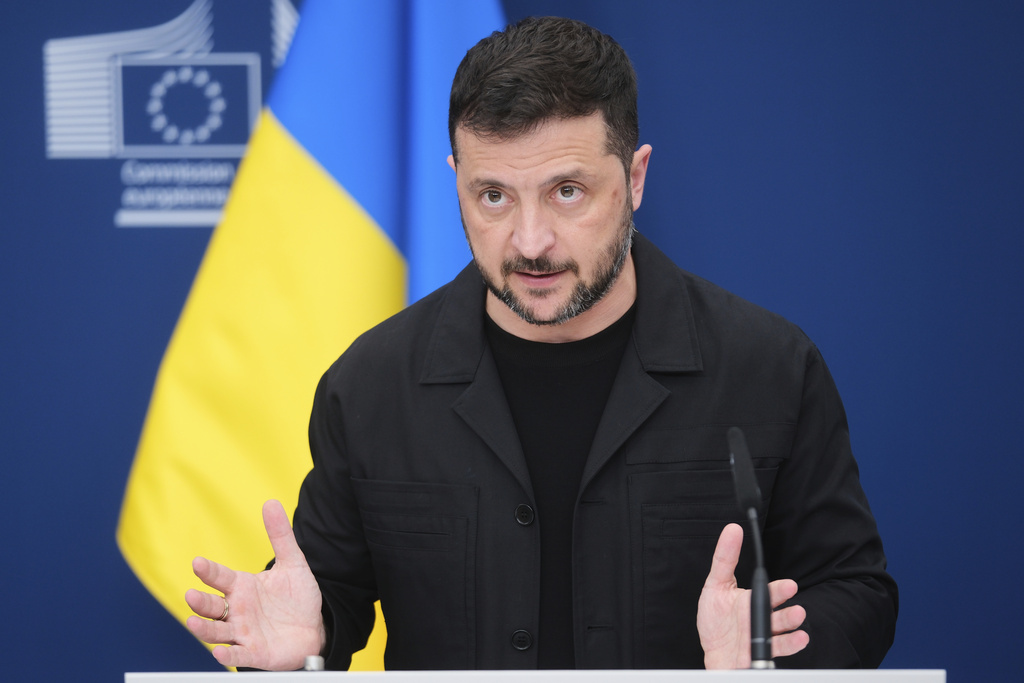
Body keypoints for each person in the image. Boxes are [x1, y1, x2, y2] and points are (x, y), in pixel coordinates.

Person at [185, 16, 897, 671]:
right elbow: (327, 598)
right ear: (456, 183)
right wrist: (305, 641)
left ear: (635, 179)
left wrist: (770, 654)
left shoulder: (770, 369)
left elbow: (856, 592)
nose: (530, 242)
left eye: (566, 192)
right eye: (493, 196)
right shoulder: (370, 384)